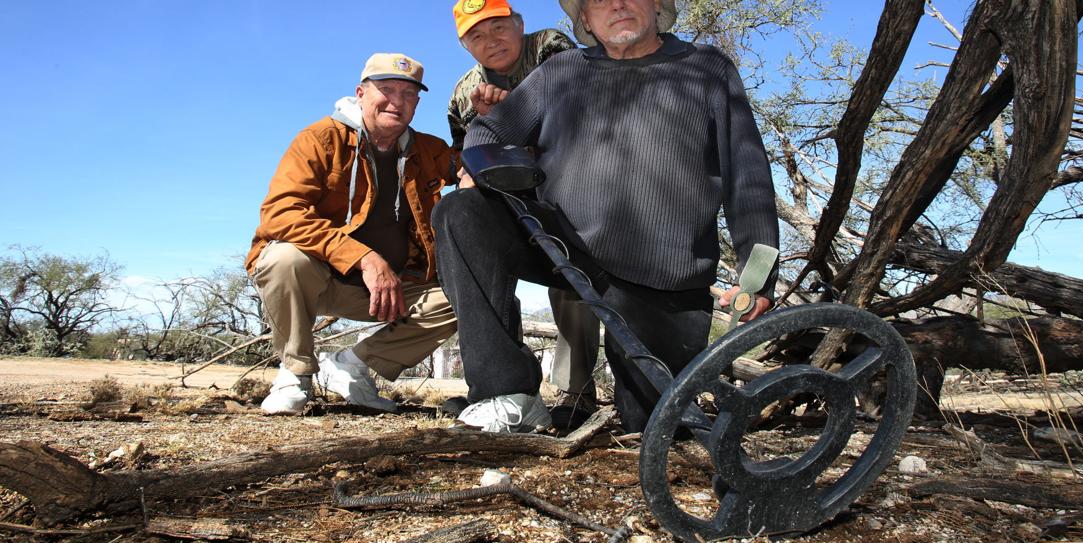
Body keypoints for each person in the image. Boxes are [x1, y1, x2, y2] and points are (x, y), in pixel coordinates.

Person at [431, 0, 779, 433]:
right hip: (563, 249)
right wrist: (490, 170)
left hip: (661, 273)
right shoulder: (560, 72)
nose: (616, 5)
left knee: (653, 426)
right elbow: (488, 131)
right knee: (461, 211)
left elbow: (748, 174)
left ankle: (636, 402)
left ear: (656, 6)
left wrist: (758, 275)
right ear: (585, 20)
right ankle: (508, 394)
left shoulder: (706, 67)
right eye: (597, 0)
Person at [246, 53, 459, 414]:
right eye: (386, 89)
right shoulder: (319, 138)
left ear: (418, 104)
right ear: (361, 93)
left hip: (391, 288)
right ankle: (294, 373)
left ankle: (353, 365)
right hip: (321, 278)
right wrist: (363, 257)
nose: (397, 101)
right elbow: (279, 214)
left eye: (409, 95)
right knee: (283, 258)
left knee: (467, 295)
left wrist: (489, 116)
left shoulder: (429, 150)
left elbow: (471, 163)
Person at [445, 0, 602, 429]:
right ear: (465, 45)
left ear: (519, 24)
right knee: (462, 222)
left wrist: (508, 113)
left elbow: (576, 110)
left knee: (571, 284)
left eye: (499, 27)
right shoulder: (462, 92)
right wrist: (471, 166)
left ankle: (576, 396)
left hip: (571, 195)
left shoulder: (550, 47)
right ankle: (503, 388)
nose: (491, 41)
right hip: (508, 202)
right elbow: (465, 154)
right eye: (476, 35)